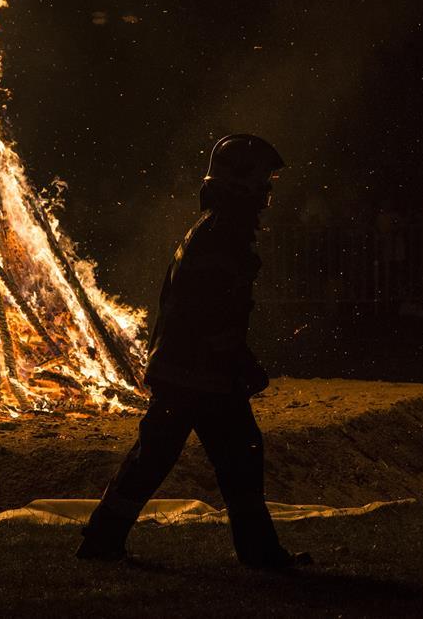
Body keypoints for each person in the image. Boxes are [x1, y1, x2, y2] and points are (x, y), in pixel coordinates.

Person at [75, 135, 312, 570]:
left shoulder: (217, 230)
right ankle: (104, 539)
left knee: (218, 454)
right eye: (261, 182)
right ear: (238, 183)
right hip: (195, 373)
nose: (266, 193)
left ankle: (104, 539)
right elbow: (210, 315)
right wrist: (239, 362)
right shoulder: (222, 237)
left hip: (195, 371)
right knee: (184, 456)